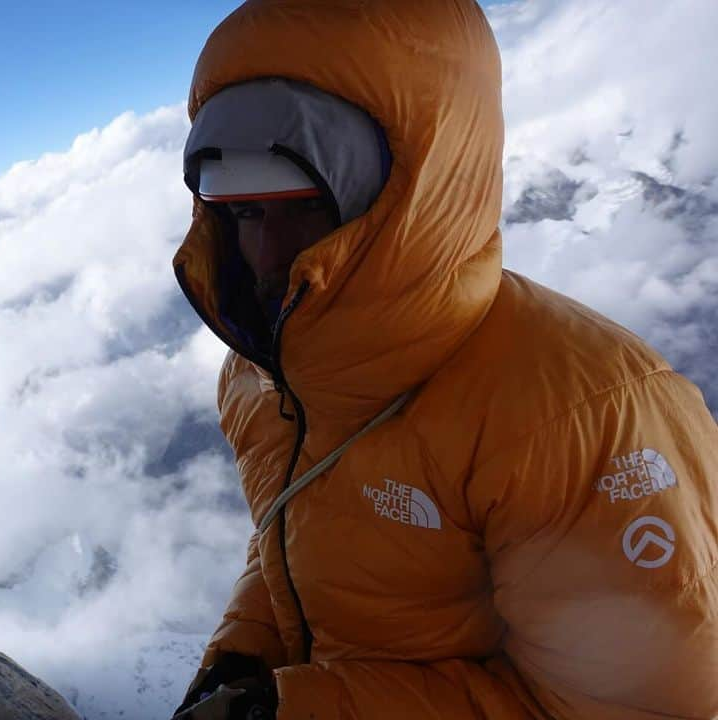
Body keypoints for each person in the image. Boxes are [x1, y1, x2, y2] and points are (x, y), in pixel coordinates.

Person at [169, 1, 718, 719]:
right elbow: (297, 532)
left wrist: (303, 709)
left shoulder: (581, 413)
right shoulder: (264, 373)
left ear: (416, 193)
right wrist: (246, 649)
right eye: (244, 214)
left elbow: (643, 709)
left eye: (305, 207)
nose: (269, 257)